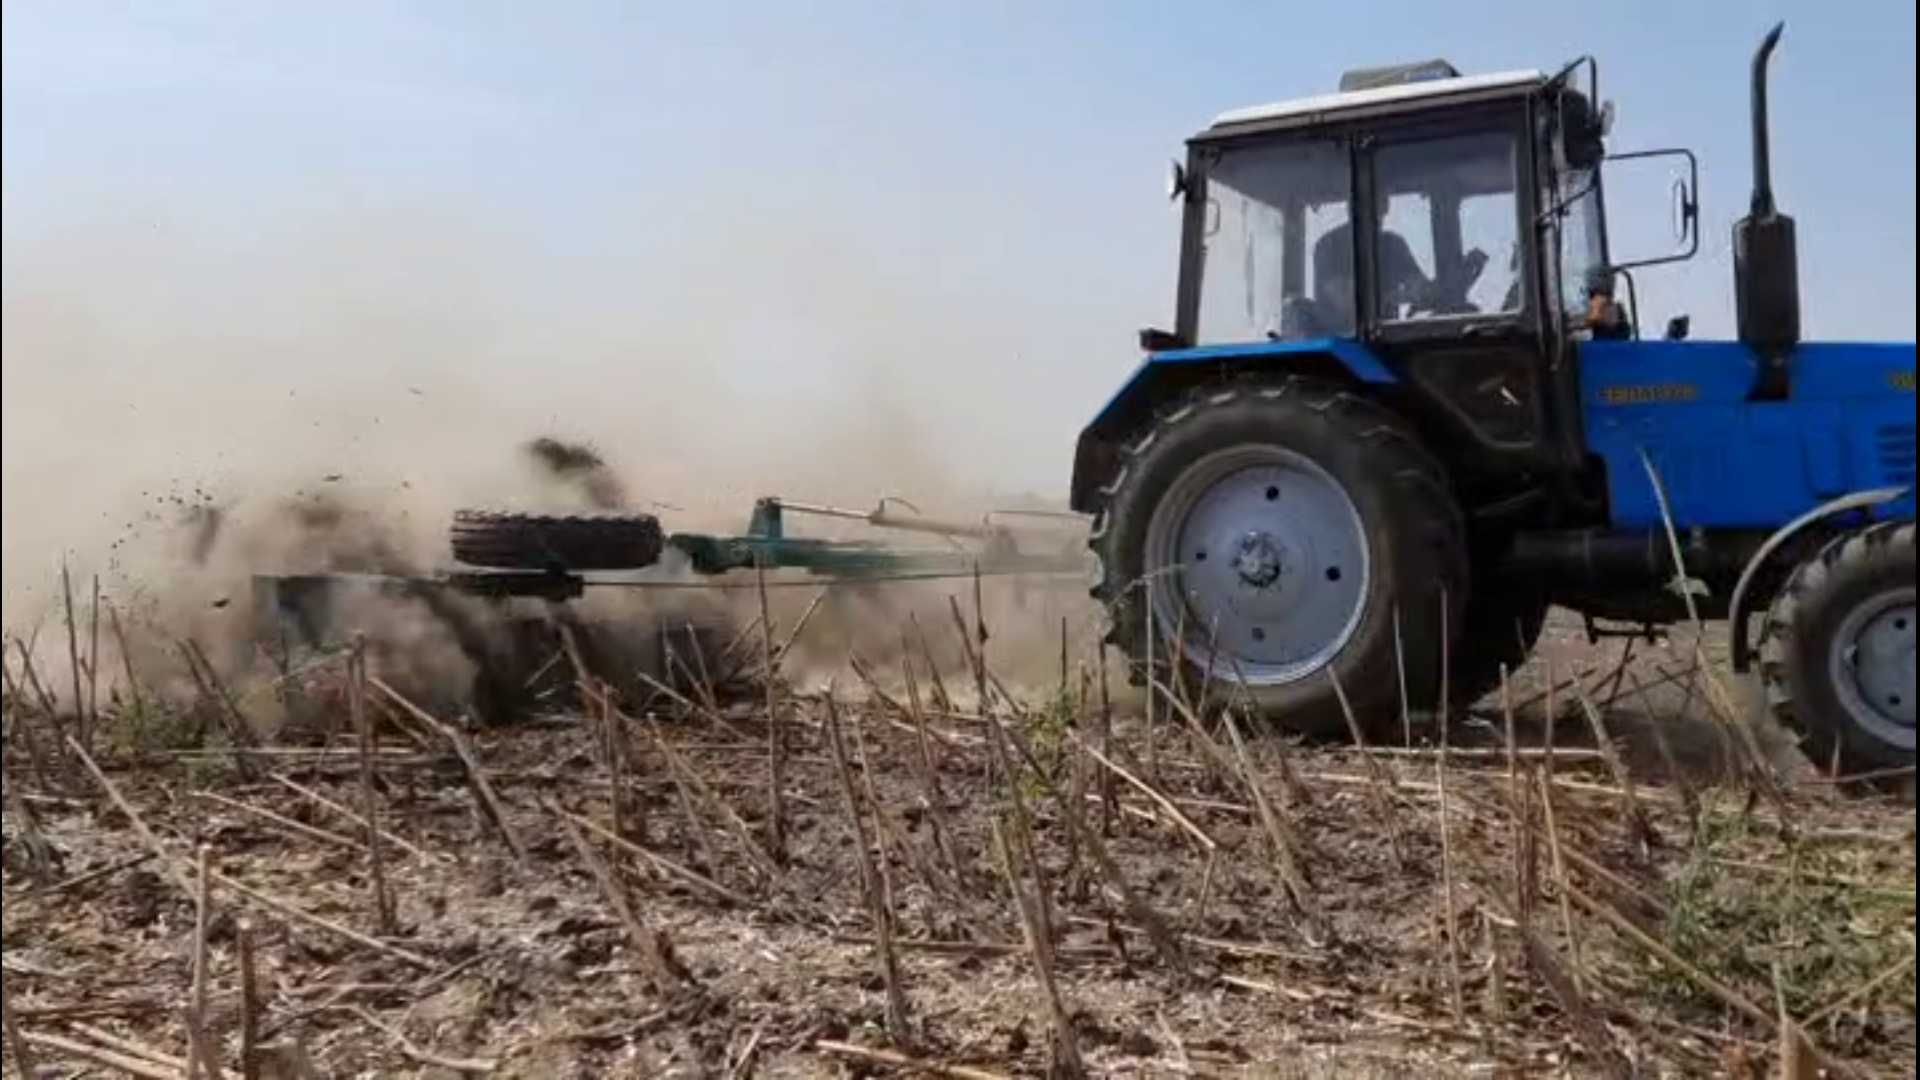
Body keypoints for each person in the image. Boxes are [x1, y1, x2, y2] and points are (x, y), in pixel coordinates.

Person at [1312, 186, 1433, 329]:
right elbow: (1346, 302)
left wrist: (1425, 290)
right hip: (1340, 338)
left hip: (1388, 336)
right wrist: (1398, 297)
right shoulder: (1329, 245)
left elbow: (1419, 287)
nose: (1377, 211)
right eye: (1374, 203)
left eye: (1381, 204)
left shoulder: (1393, 244)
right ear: (1351, 208)